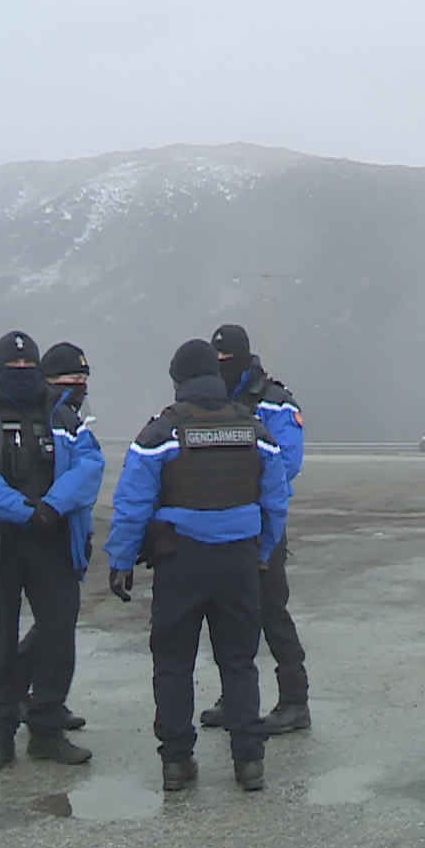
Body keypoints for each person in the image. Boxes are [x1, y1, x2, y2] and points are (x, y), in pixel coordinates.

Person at [105, 339, 291, 792]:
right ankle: (249, 762)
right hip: (239, 562)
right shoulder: (254, 430)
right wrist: (262, 552)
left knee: (173, 662)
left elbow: (132, 503)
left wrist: (121, 559)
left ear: (177, 381)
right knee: (239, 662)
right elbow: (277, 501)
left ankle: (177, 763)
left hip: (180, 561)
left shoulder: (160, 434)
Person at [0, 331, 105, 773]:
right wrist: (21, 510)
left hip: (52, 538)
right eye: (13, 370)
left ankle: (47, 729)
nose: (22, 377)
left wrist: (52, 506)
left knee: (57, 637)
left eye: (28, 368)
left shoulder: (62, 413)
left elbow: (90, 465)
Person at [201, 324, 311, 735]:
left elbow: (287, 463)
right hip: (222, 523)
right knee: (229, 616)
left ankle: (295, 701)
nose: (222, 368)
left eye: (228, 360)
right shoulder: (209, 400)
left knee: (271, 612)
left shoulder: (276, 402)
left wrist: (237, 485)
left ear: (246, 358)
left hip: (263, 524)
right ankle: (235, 698)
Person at [12, 341, 97, 732]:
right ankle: (20, 696)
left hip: (64, 532)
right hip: (26, 533)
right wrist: (44, 509)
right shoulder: (41, 416)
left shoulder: (72, 420)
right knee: (54, 626)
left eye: (83, 379)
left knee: (57, 624)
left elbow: (87, 471)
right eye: (70, 379)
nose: (79, 386)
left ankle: (37, 700)